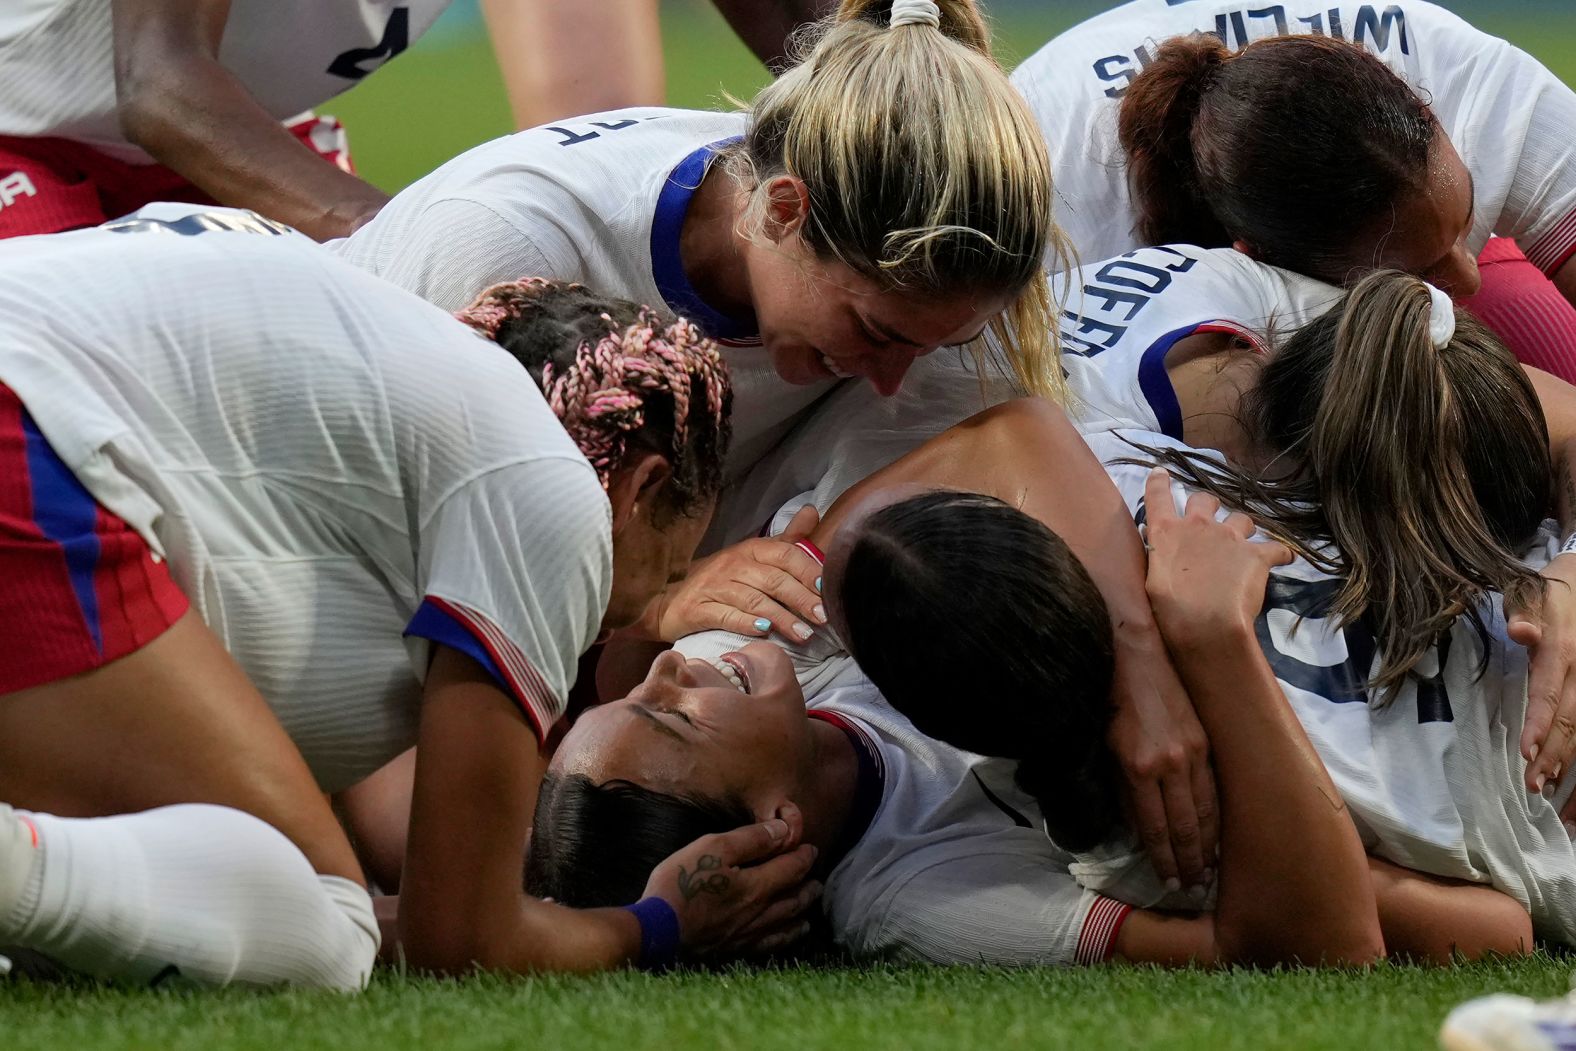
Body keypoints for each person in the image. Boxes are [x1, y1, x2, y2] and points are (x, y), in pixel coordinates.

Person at [0, 210, 814, 986]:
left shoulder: (378, 378)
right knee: (327, 930)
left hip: (38, 421)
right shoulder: (553, 488)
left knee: (152, 884)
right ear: (640, 487)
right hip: (28, 439)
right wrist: (660, 922)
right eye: (668, 571)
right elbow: (457, 940)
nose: (642, 616)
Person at [1010, 1, 1576, 383]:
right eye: (1417, 271)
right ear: (1258, 258)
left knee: (1532, 340)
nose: (1466, 277)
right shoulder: (1040, 206)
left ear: (1428, 109)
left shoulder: (1467, 74)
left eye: (1464, 219)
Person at [0, 0, 821, 241]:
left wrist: (889, 94)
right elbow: (161, 85)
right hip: (30, 134)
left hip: (239, 125)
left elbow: (601, 117)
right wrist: (420, 240)